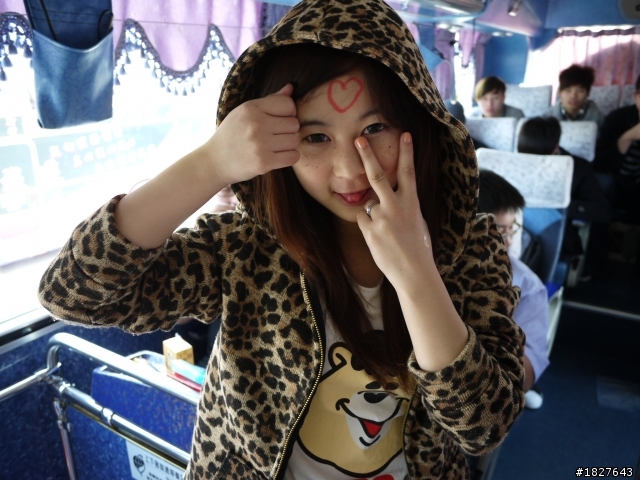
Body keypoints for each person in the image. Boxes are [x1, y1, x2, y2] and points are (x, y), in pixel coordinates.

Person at [37, 1, 525, 478]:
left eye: (375, 127)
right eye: (316, 138)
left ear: (418, 126)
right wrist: (209, 164)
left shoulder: (471, 247)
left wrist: (418, 274)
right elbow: (72, 294)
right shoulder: (245, 249)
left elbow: (484, 425)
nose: (350, 169)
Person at [478, 170, 550, 410]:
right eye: (501, 231)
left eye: (512, 230)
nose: (508, 241)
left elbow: (527, 369)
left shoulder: (527, 286)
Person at [518, 116, 611, 278]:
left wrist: (560, 205)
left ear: (555, 148)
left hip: (554, 234)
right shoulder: (514, 163)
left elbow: (601, 210)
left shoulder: (578, 168)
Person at [595, 73, 640, 224]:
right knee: (602, 182)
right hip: (617, 181)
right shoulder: (617, 119)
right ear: (636, 97)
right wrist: (627, 138)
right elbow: (600, 164)